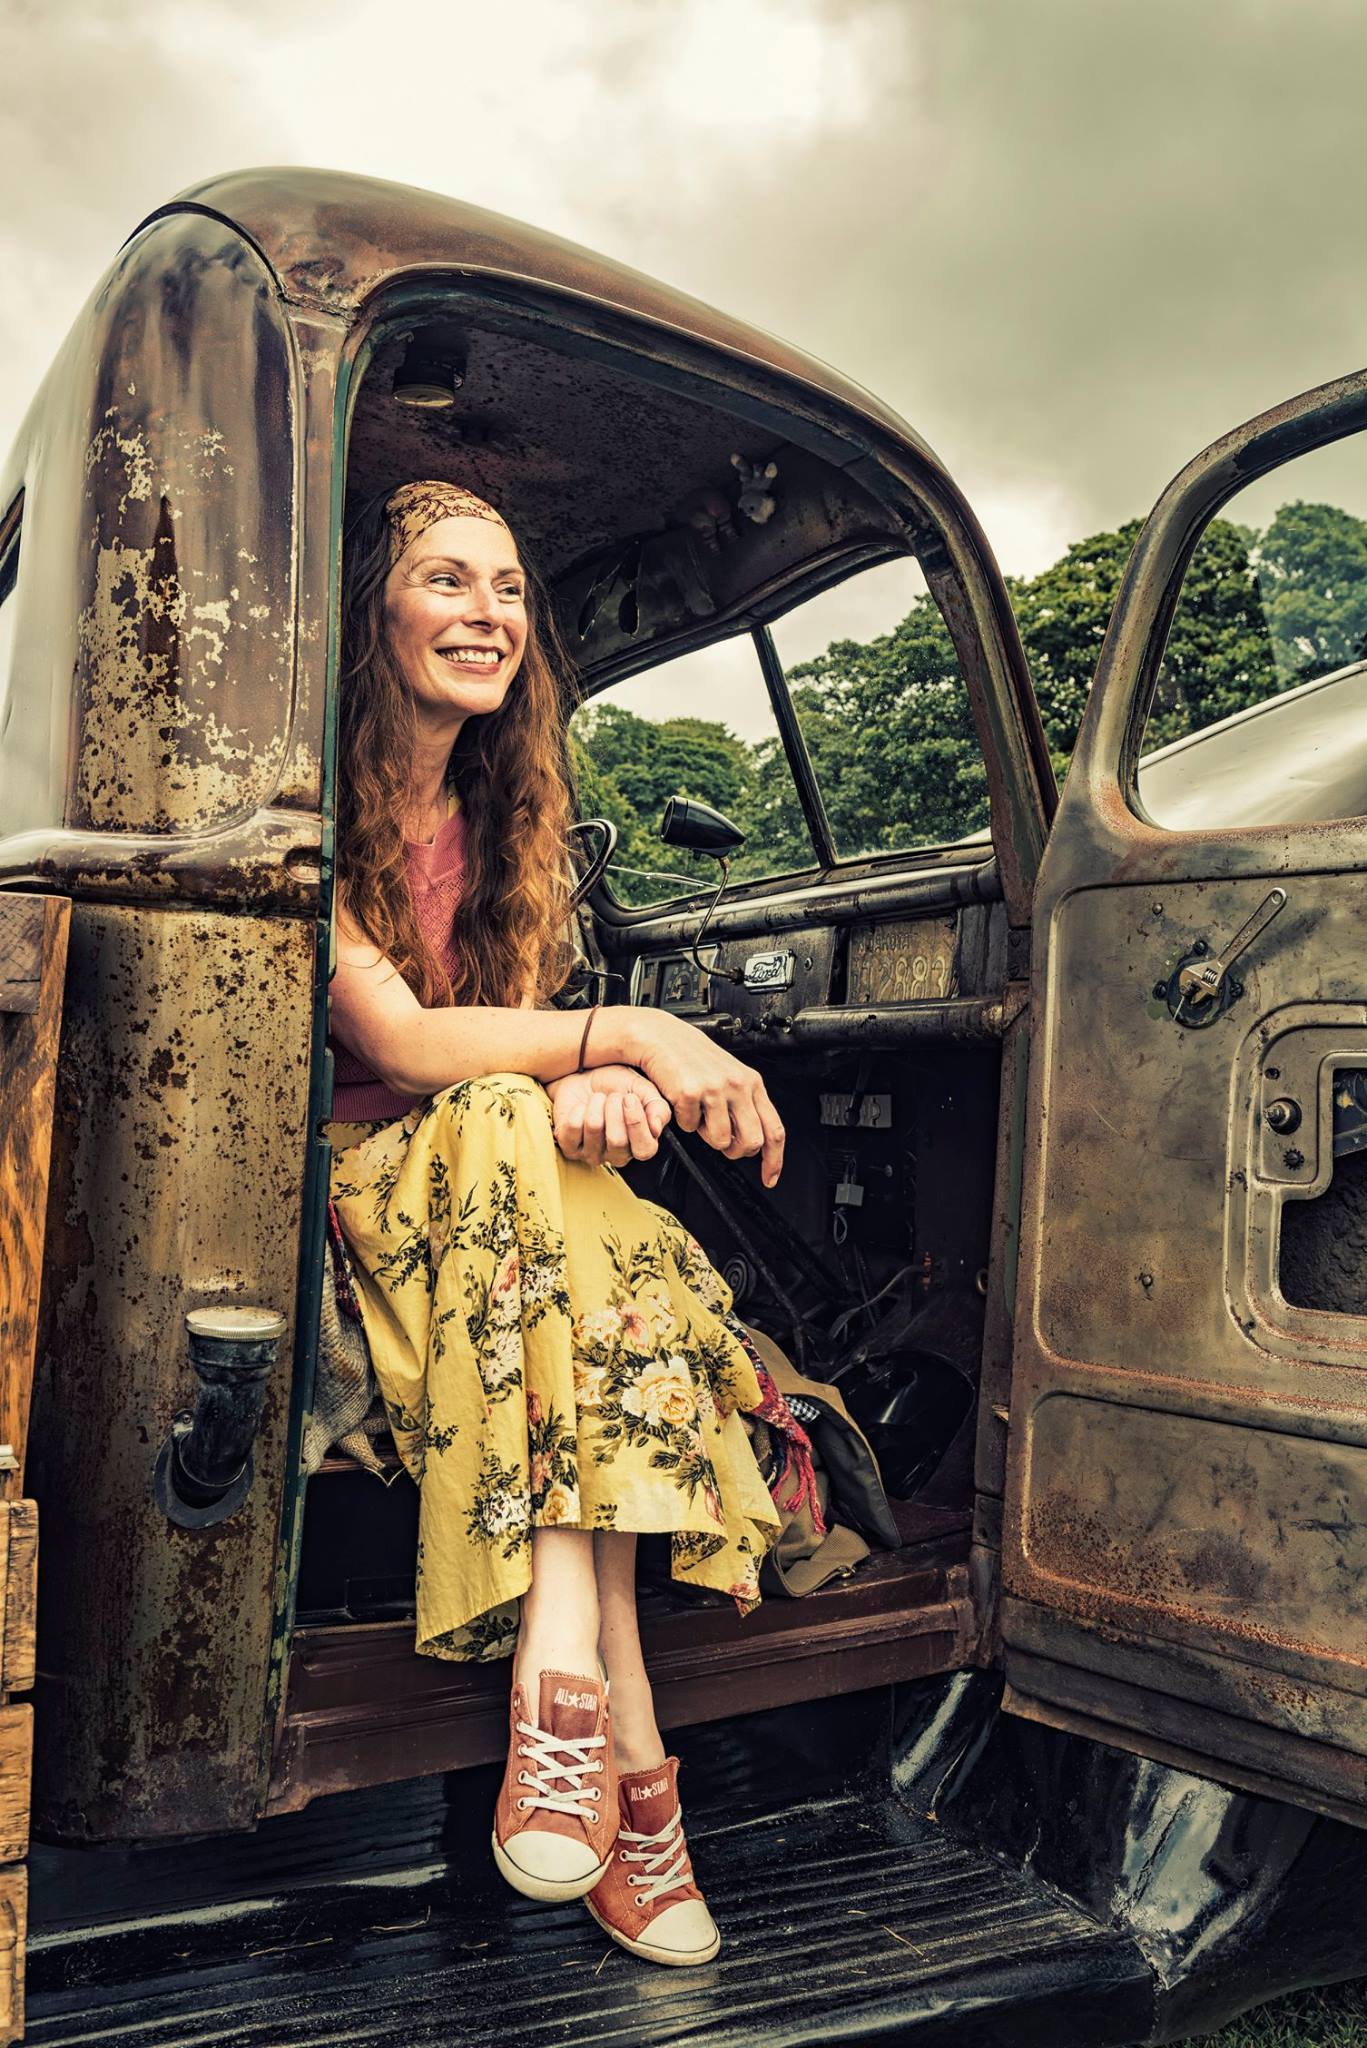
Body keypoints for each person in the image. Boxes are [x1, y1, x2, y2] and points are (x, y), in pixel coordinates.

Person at [323, 479, 788, 1968]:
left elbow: (517, 1051)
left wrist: (583, 1089)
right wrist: (622, 1038)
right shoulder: (304, 807)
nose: (488, 614)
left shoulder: (509, 819)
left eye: (511, 590)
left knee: (566, 1185)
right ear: (374, 614)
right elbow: (401, 1048)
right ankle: (629, 1763)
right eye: (449, 581)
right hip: (350, 1200)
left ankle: (572, 1707)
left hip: (503, 1215)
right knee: (580, 1195)